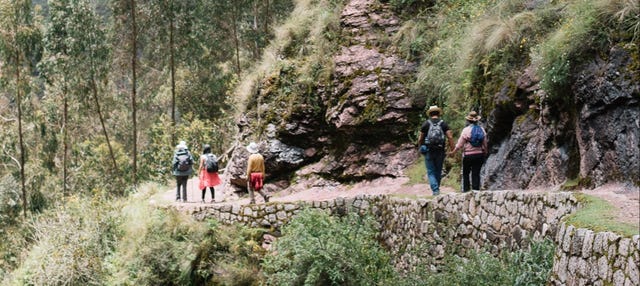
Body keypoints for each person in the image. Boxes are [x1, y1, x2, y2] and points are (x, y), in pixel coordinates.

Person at [417, 105, 454, 196]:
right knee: (438, 170)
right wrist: (453, 149)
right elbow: (450, 137)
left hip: (429, 150)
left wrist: (421, 147)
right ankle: (437, 188)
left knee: (430, 171)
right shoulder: (443, 124)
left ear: (430, 114)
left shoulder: (426, 124)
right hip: (440, 150)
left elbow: (420, 139)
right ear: (438, 113)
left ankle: (435, 190)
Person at [449, 111, 488, 192]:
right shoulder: (482, 130)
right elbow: (485, 144)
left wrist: (453, 152)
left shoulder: (466, 130)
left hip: (468, 155)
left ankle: (466, 191)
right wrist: (485, 152)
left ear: (468, 120)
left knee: (466, 173)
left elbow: (459, 144)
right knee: (476, 173)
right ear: (477, 120)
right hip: (479, 155)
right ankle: (476, 191)